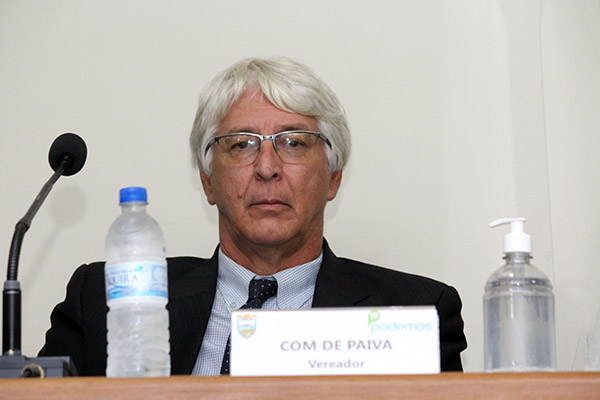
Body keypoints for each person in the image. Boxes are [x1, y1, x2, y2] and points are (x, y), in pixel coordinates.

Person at [39, 57, 467, 375]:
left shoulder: (418, 312)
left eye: (294, 142)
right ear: (208, 181)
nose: (266, 167)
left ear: (333, 178)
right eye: (241, 144)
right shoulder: (102, 299)